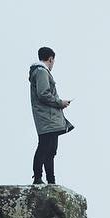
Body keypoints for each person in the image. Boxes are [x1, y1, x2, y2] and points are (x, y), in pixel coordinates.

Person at [29, 46, 73, 185]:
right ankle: (38, 179)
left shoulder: (40, 71)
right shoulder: (42, 72)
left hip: (50, 119)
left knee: (51, 150)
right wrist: (60, 102)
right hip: (46, 118)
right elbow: (43, 94)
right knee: (44, 147)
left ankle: (51, 181)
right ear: (50, 59)